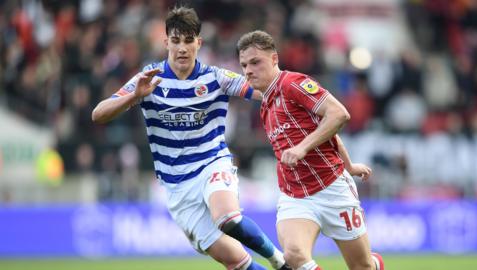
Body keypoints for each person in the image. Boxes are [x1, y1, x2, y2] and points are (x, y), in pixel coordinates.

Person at [92, 7, 289, 270]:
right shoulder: (149, 79)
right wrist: (134, 96)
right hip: (178, 187)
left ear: (199, 42)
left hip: (212, 164)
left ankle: (281, 262)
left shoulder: (216, 78)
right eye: (175, 41)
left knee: (227, 217)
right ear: (166, 43)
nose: (182, 48)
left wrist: (302, 98)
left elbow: (264, 92)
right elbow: (98, 114)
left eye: (188, 41)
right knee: (235, 261)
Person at [236, 30, 385, 270]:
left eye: (255, 62)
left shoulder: (293, 84)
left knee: (362, 266)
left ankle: (375, 264)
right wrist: (349, 164)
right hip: (295, 195)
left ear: (274, 59)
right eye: (244, 65)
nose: (248, 70)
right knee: (294, 256)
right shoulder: (265, 103)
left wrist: (304, 148)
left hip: (332, 187)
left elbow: (338, 114)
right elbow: (326, 129)